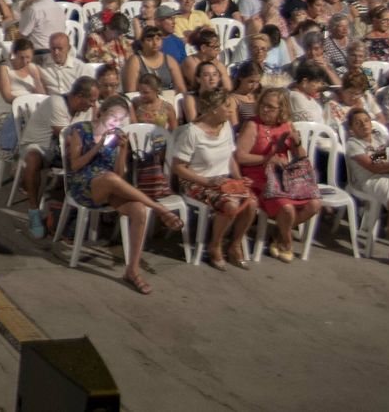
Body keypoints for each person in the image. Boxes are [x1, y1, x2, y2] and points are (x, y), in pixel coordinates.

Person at [63, 95, 185, 294]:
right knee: (110, 179)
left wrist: (122, 150)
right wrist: (97, 146)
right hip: (83, 184)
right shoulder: (80, 130)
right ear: (102, 113)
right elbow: (75, 165)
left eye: (120, 119)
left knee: (139, 210)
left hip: (109, 185)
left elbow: (120, 175)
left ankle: (133, 270)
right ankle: (160, 208)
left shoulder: (118, 135)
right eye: (113, 116)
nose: (116, 123)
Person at [170, 87, 256, 270]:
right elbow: (178, 167)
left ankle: (234, 244)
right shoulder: (192, 132)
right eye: (227, 106)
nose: (231, 110)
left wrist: (239, 179)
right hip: (196, 181)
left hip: (222, 179)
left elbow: (230, 157)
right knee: (230, 205)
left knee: (252, 202)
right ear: (214, 108)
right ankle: (215, 245)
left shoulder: (225, 127)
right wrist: (206, 182)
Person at [234, 88, 321, 262]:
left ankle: (279, 232)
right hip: (259, 177)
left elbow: (301, 157)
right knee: (287, 208)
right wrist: (267, 158)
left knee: (315, 205)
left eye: (271, 107)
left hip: (283, 177)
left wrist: (297, 143)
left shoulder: (287, 125)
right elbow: (240, 156)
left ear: (281, 110)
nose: (265, 110)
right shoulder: (253, 125)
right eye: (263, 105)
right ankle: (286, 241)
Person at [18, 78, 98, 237]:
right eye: (92, 100)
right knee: (33, 159)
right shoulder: (56, 103)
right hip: (40, 146)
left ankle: (80, 211)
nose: (93, 105)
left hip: (64, 150)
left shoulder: (87, 109)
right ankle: (34, 212)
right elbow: (65, 137)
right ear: (79, 96)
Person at [343, 107, 389, 272]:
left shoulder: (378, 135)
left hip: (385, 169)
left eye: (366, 121)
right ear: (352, 129)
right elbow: (373, 168)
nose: (364, 125)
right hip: (369, 179)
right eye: (358, 123)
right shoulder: (353, 144)